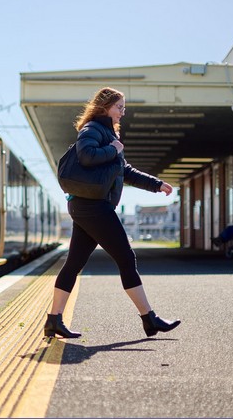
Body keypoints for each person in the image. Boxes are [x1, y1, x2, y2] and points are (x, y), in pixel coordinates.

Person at [45, 87, 181, 339]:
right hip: (93, 206)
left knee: (74, 263)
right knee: (126, 258)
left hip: (87, 205)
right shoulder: (93, 129)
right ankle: (149, 318)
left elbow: (124, 171)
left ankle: (53, 320)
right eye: (119, 107)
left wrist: (156, 184)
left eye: (124, 108)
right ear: (104, 107)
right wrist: (114, 149)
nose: (122, 112)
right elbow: (86, 155)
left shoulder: (108, 134)